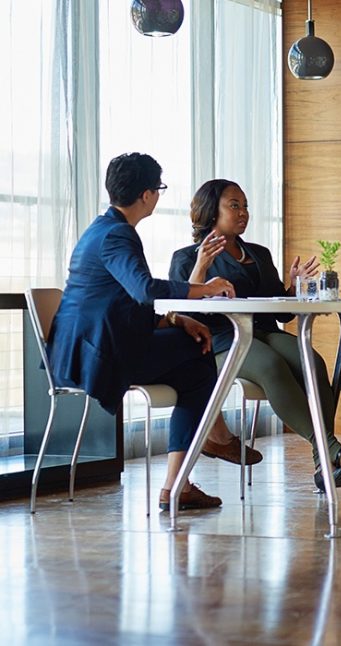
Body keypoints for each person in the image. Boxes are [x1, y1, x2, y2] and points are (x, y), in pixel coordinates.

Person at [47, 153, 261, 513]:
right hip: (96, 355)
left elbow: (122, 303)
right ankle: (188, 472)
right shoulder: (117, 235)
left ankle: (183, 480)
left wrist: (176, 320)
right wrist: (205, 289)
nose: (158, 195)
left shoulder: (103, 228)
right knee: (200, 356)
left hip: (88, 346)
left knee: (195, 360)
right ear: (147, 194)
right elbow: (145, 290)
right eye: (158, 188)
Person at [169, 179, 341, 492]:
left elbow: (282, 313)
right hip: (223, 341)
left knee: (312, 362)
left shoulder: (259, 254)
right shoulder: (186, 257)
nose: (243, 212)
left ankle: (324, 460)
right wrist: (201, 268)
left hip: (264, 332)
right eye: (234, 205)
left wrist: (293, 289)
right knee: (271, 366)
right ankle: (332, 451)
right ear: (211, 211)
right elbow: (188, 314)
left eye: (245, 206)